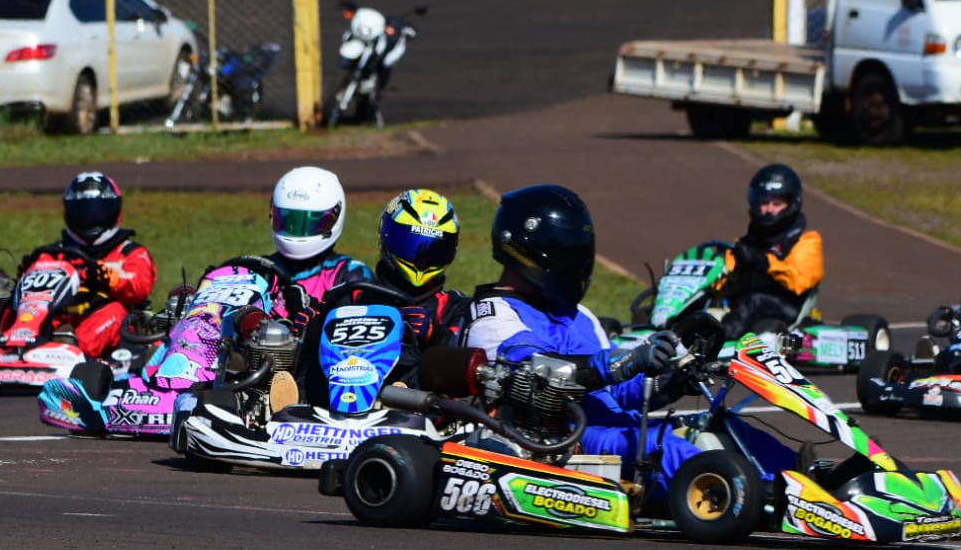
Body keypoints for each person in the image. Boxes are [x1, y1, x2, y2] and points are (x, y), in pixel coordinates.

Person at [462, 184, 697, 496]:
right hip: (563, 439)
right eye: (567, 248)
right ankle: (752, 494)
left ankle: (779, 484)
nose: (577, 259)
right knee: (667, 445)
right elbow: (539, 374)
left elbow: (616, 389)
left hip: (616, 427)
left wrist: (672, 378)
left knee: (715, 430)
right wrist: (625, 361)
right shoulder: (492, 315)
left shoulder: (579, 315)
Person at [0, 171, 157, 359]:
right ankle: (1, 345)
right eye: (83, 210)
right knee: (18, 307)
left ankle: (71, 350)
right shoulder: (54, 253)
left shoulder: (130, 252)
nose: (90, 217)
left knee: (114, 311)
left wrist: (109, 277)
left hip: (110, 329)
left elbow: (140, 284)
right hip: (56, 317)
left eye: (97, 210)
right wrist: (26, 276)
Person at [718, 163, 826, 339]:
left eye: (776, 204)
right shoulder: (745, 243)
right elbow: (722, 283)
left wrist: (762, 261)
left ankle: (720, 343)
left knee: (754, 300)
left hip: (790, 311)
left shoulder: (806, 241)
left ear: (792, 204)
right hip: (744, 310)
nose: (769, 210)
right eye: (764, 203)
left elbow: (799, 281)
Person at [263, 165, 374, 331]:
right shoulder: (261, 269)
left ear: (335, 218)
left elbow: (360, 333)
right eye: (290, 221)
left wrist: (313, 313)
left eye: (312, 221)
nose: (298, 232)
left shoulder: (350, 275)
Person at [375, 188, 472, 369]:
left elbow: (466, 363)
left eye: (433, 250)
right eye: (410, 244)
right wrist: (313, 328)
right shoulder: (356, 295)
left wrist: (434, 335)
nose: (420, 262)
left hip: (418, 393)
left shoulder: (456, 307)